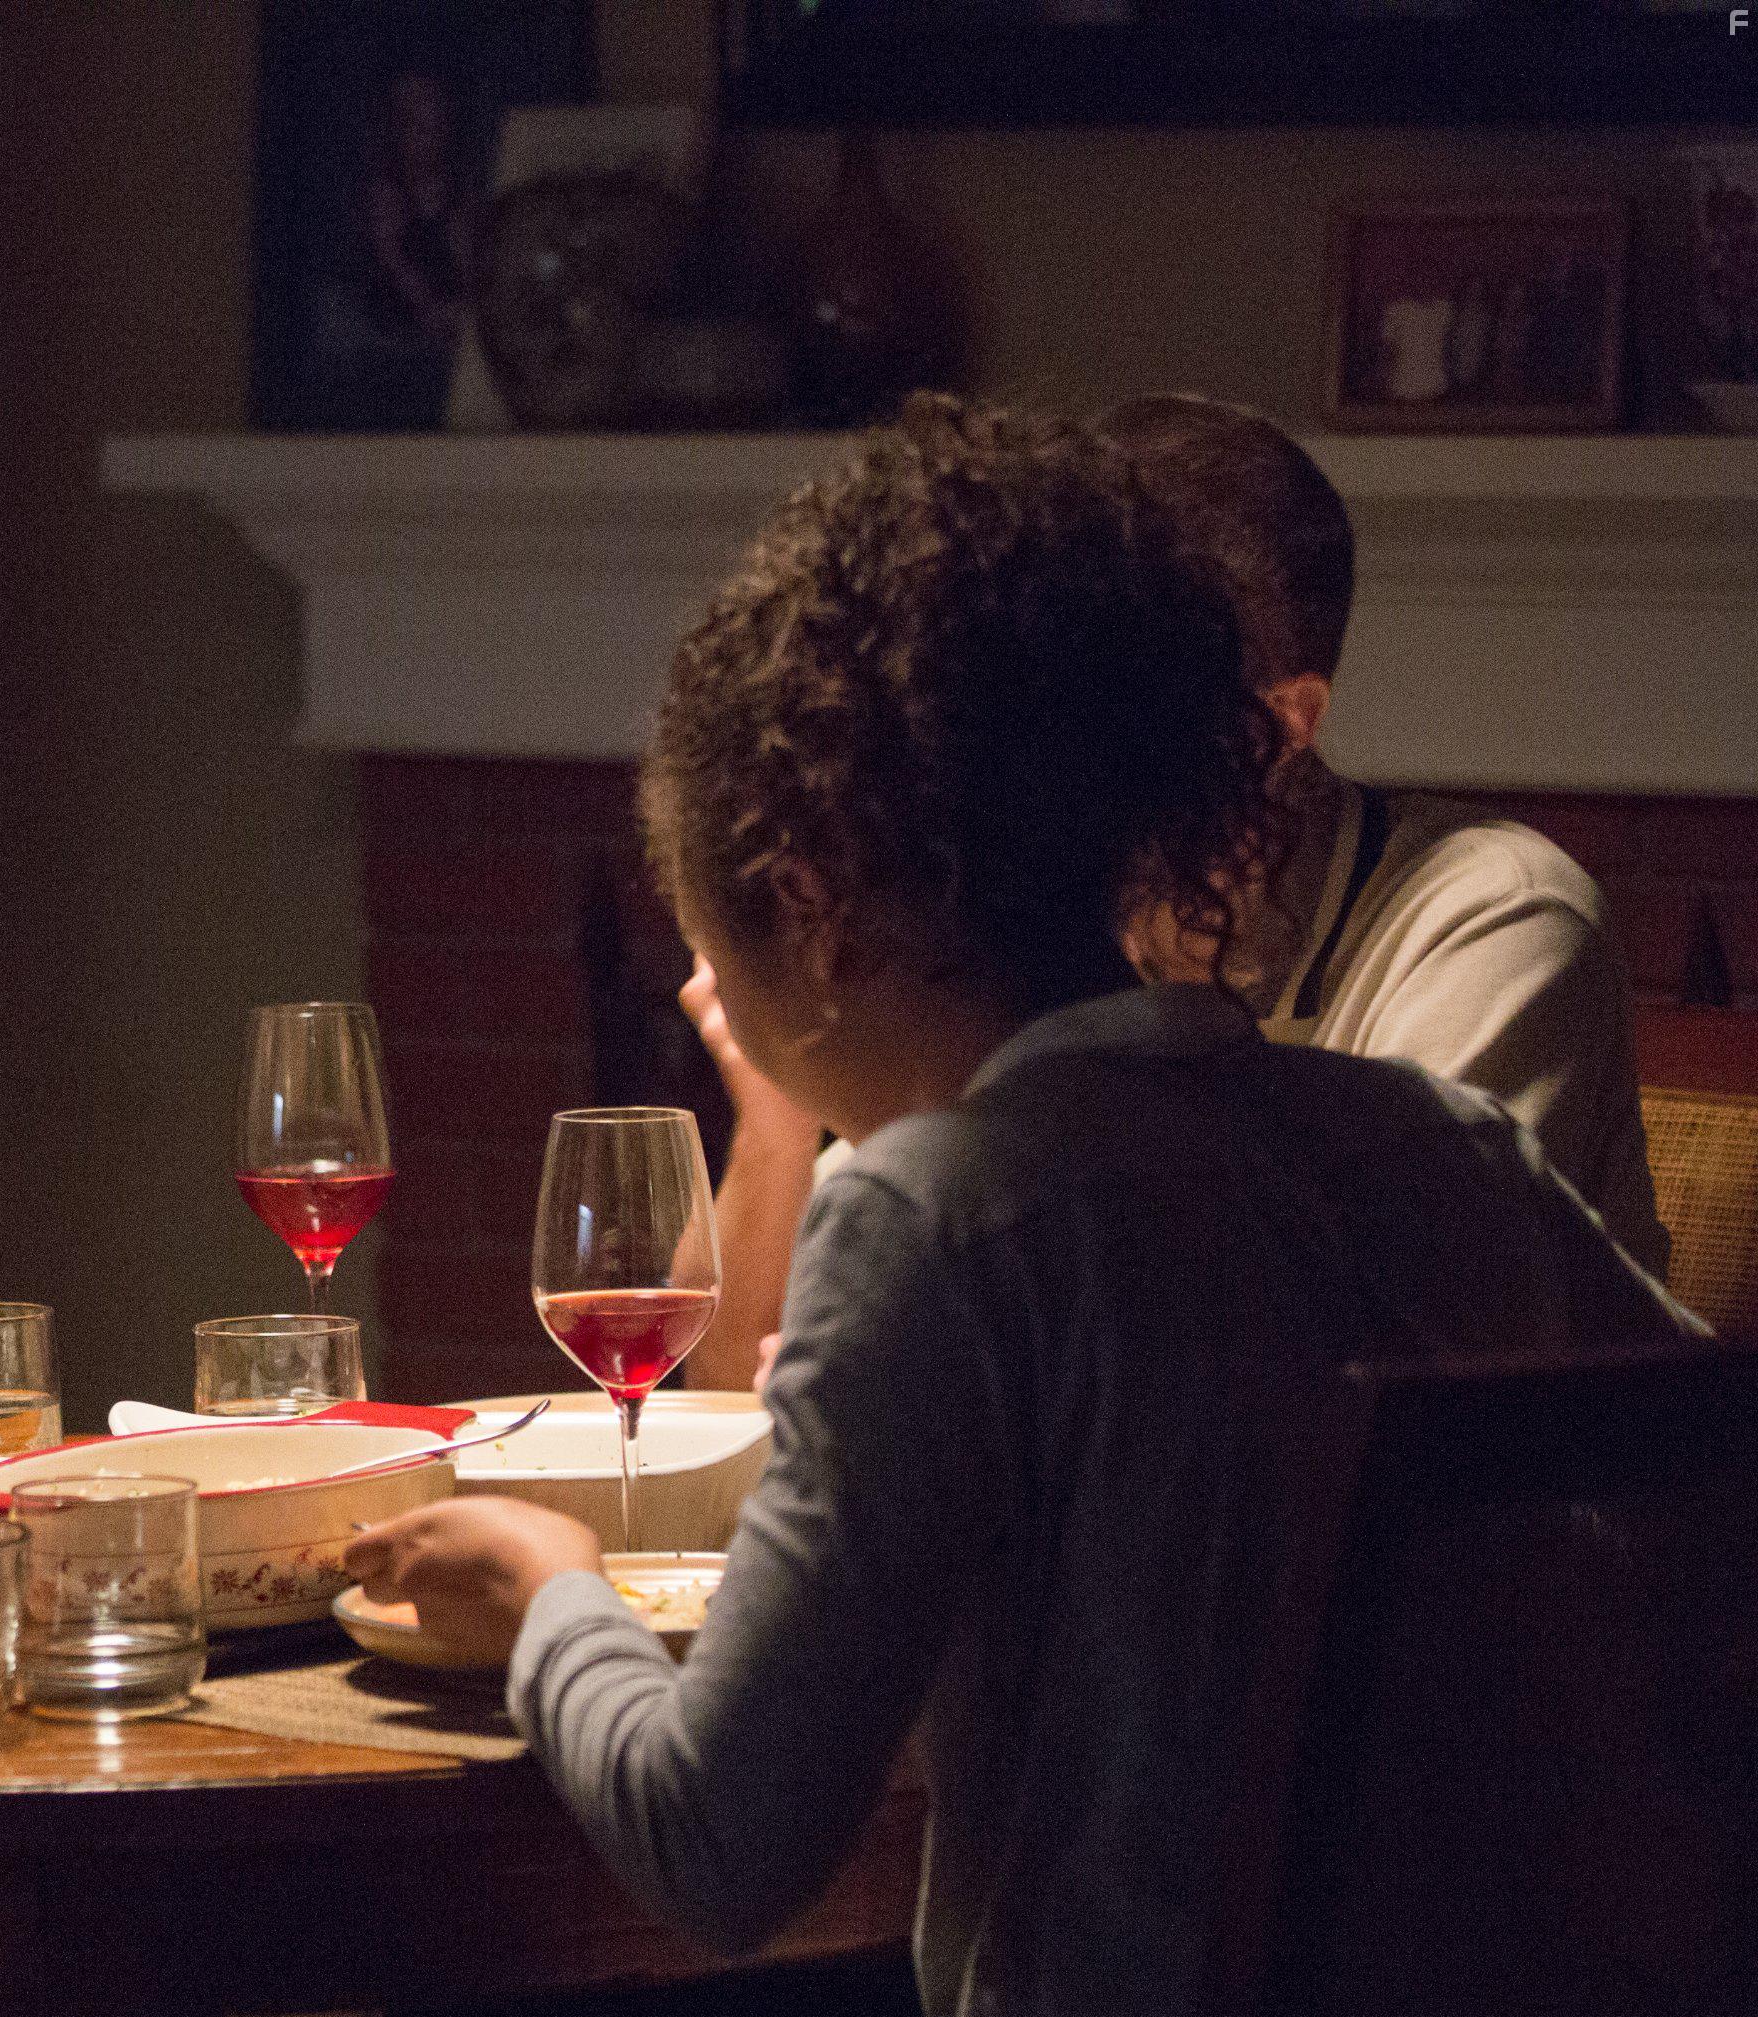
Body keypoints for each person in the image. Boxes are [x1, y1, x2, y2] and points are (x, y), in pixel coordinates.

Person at [291, 404, 1697, 2017]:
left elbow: (717, 1849)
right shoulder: (1430, 1146)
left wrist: (547, 1590)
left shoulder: (948, 1211)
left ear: (808, 902)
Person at [689, 391, 1664, 1389]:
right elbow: (725, 1375)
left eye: (1113, 703)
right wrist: (783, 1097)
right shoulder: (1040, 937)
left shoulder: (1493, 924)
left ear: (1278, 726)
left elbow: (1324, 1395)